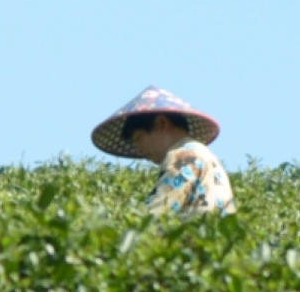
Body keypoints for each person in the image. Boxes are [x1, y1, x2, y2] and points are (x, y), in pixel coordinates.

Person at [92, 85, 233, 217]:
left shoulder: (183, 157)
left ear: (161, 124)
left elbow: (155, 215)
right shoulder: (205, 155)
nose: (139, 149)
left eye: (138, 138)